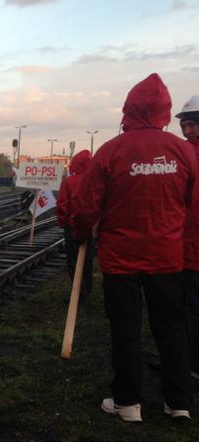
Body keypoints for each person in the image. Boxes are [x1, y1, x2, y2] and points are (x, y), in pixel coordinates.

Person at [73, 74, 197, 422]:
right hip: (168, 258)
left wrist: (82, 232)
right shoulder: (184, 150)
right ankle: (179, 402)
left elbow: (86, 205)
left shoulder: (112, 150)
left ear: (129, 108)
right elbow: (192, 203)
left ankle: (127, 404)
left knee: (125, 330)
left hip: (121, 259)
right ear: (165, 109)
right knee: (172, 330)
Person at [176, 95, 199, 381]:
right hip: (184, 244)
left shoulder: (184, 154)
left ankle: (192, 364)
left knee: (193, 308)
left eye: (193, 125)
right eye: (186, 125)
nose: (188, 131)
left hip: (190, 245)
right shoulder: (181, 152)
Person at [57, 150, 94, 299]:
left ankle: (77, 290)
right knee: (88, 259)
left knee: (73, 259)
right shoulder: (95, 180)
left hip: (72, 227)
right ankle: (87, 288)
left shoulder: (68, 182)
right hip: (90, 227)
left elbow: (62, 204)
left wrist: (64, 222)